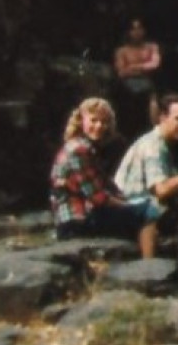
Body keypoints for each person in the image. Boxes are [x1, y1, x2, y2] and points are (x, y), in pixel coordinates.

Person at [113, 94, 178, 268]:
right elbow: (162, 189)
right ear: (163, 117)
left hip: (152, 206)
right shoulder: (153, 146)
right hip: (136, 209)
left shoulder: (163, 144)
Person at [49, 98, 159, 244]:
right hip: (76, 222)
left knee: (139, 208)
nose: (99, 126)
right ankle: (148, 263)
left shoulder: (85, 147)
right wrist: (128, 206)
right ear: (81, 121)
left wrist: (126, 200)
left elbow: (106, 185)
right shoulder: (79, 149)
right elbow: (98, 198)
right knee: (147, 211)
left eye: (104, 121)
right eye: (93, 120)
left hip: (81, 218)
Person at [112, 16, 161, 127]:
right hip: (127, 87)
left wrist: (133, 67)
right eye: (133, 29)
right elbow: (121, 72)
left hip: (149, 84)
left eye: (139, 28)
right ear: (129, 32)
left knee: (152, 99)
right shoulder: (122, 51)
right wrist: (142, 68)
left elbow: (155, 65)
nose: (137, 32)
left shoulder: (152, 47)